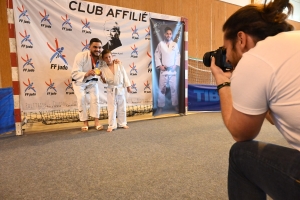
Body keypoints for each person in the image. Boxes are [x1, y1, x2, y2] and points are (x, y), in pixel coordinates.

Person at [209, 0, 300, 199]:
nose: (229, 58)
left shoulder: (255, 58)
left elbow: (241, 133)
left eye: (227, 49)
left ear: (241, 39)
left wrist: (223, 82)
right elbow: (283, 110)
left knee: (240, 155)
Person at [71, 38, 119, 132]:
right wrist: (86, 73)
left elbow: (109, 62)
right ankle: (85, 122)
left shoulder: (101, 58)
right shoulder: (81, 56)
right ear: (89, 47)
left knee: (95, 98)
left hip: (92, 81)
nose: (97, 49)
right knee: (81, 98)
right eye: (95, 47)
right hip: (79, 81)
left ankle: (96, 121)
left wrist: (116, 62)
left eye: (99, 47)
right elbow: (74, 73)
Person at [100, 49, 132, 132]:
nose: (108, 59)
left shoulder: (118, 64)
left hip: (120, 88)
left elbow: (124, 75)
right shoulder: (103, 68)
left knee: (122, 107)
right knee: (111, 108)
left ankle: (122, 123)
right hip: (111, 89)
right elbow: (104, 81)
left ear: (112, 56)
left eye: (109, 57)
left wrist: (128, 86)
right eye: (106, 58)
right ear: (103, 59)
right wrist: (102, 76)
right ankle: (112, 125)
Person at [154, 26, 180, 114]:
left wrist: (175, 65)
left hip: (172, 70)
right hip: (164, 70)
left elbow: (178, 56)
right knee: (162, 89)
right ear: (164, 34)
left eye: (170, 34)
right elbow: (156, 55)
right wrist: (160, 66)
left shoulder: (175, 45)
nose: (169, 35)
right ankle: (160, 106)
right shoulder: (161, 44)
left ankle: (175, 105)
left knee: (173, 89)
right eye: (167, 34)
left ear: (172, 35)